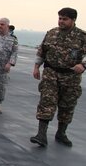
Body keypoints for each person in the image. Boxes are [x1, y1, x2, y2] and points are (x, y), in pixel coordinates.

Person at [30, 8, 86, 147]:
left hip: (71, 76)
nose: (61, 21)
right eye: (60, 18)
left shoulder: (82, 36)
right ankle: (41, 135)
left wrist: (83, 65)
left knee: (67, 105)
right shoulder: (52, 33)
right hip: (51, 73)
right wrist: (37, 67)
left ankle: (61, 133)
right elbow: (42, 51)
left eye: (64, 19)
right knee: (46, 101)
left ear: (73, 20)